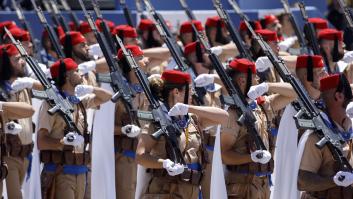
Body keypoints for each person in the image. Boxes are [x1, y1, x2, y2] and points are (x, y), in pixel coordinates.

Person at [136, 70, 229, 199]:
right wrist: (164, 163)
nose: (192, 93)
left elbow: (224, 117)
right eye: (189, 90)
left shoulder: (193, 119)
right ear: (176, 92)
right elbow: (141, 156)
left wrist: (189, 108)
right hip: (165, 189)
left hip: (192, 189)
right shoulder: (157, 121)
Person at [220, 58, 297, 199]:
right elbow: (224, 155)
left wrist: (267, 86)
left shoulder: (261, 105)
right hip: (241, 186)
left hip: (262, 184)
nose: (257, 79)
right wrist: (251, 158)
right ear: (243, 80)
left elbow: (294, 92)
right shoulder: (232, 113)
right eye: (254, 76)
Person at [37, 58, 112, 199]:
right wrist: (63, 142)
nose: (81, 74)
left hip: (80, 171)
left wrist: (91, 88)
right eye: (76, 71)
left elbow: (107, 97)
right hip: (60, 171)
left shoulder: (79, 101)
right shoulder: (51, 104)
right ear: (67, 76)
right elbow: (41, 141)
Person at [298, 73, 353, 198]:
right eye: (349, 98)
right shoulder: (316, 137)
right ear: (339, 96)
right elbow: (303, 181)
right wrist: (334, 180)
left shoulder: (348, 130)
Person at [0, 43, 42, 199]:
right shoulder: (1, 89)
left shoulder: (23, 86)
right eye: (16, 59)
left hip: (24, 154)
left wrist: (29, 82)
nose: (22, 62)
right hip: (8, 155)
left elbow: (47, 89)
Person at [113, 45, 149, 199]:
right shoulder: (118, 93)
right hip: (124, 157)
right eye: (140, 58)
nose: (146, 61)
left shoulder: (146, 89)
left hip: (144, 158)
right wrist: (123, 130)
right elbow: (104, 128)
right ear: (131, 63)